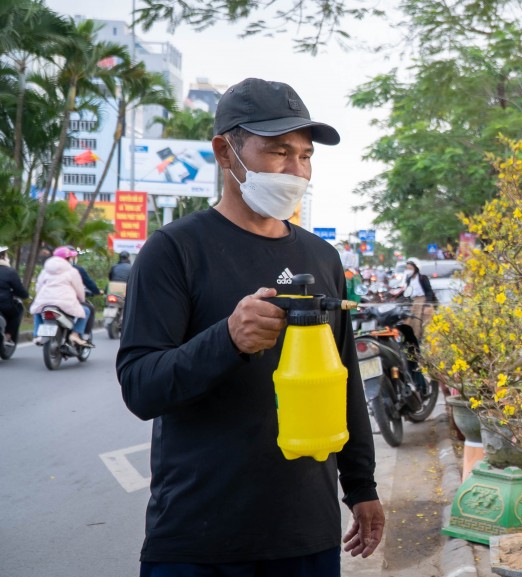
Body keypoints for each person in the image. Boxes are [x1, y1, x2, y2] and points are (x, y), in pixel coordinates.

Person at [116, 78, 385, 577]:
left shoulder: (322, 257)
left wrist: (362, 488)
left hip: (307, 530)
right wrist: (228, 339)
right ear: (225, 151)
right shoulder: (174, 251)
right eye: (279, 152)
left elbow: (345, 377)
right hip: (200, 538)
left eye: (305, 156)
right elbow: (140, 386)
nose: (296, 170)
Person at [29, 246, 92, 347]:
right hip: (65, 304)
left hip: (44, 302)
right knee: (86, 311)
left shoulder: (45, 271)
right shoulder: (72, 271)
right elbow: (79, 290)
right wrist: (82, 300)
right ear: (68, 259)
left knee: (38, 310)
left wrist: (40, 298)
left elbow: (38, 287)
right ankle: (75, 334)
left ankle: (37, 334)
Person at [0, 245, 29, 346]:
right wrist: (25, 296)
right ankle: (7, 336)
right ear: (4, 256)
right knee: (15, 315)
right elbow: (19, 289)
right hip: (3, 304)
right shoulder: (9, 271)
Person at [403, 260, 436, 341]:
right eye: (407, 268)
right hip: (414, 301)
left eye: (410, 268)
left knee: (421, 320)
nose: (409, 270)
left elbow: (429, 291)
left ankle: (422, 338)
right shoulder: (409, 279)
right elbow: (408, 291)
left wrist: (428, 304)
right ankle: (414, 339)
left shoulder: (422, 278)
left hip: (422, 300)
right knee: (411, 321)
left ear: (415, 268)